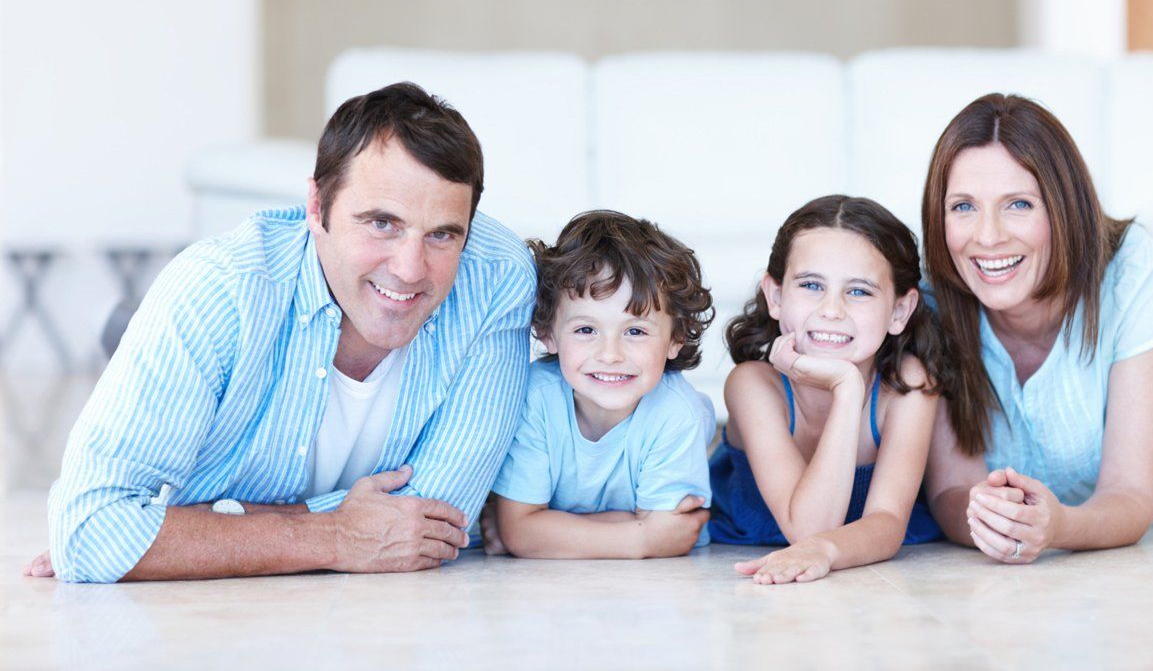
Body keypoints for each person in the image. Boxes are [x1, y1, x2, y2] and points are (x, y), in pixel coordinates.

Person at [24, 82, 536, 583]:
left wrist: (189, 525)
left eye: (442, 234)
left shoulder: (496, 276)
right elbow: (90, 532)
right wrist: (335, 534)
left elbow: (438, 519)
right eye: (381, 223)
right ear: (316, 207)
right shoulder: (218, 289)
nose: (409, 268)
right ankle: (134, 327)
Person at [921, 93, 1153, 565]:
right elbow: (952, 487)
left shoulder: (1137, 274)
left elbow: (1130, 496)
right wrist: (992, 522)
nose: (987, 236)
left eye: (1019, 204)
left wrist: (1057, 527)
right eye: (964, 207)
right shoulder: (931, 298)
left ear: (1063, 208)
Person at [710, 195, 948, 585]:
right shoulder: (753, 384)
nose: (832, 309)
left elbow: (885, 521)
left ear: (899, 311)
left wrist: (828, 550)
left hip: (859, 548)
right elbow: (808, 529)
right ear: (775, 296)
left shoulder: (909, 384)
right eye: (810, 285)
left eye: (859, 291)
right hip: (752, 545)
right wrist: (847, 387)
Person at [480, 211, 716, 559]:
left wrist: (547, 529)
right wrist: (641, 536)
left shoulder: (678, 414)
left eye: (635, 331)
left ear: (675, 338)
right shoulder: (533, 397)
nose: (610, 354)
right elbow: (520, 532)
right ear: (547, 331)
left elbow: (676, 536)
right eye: (586, 330)